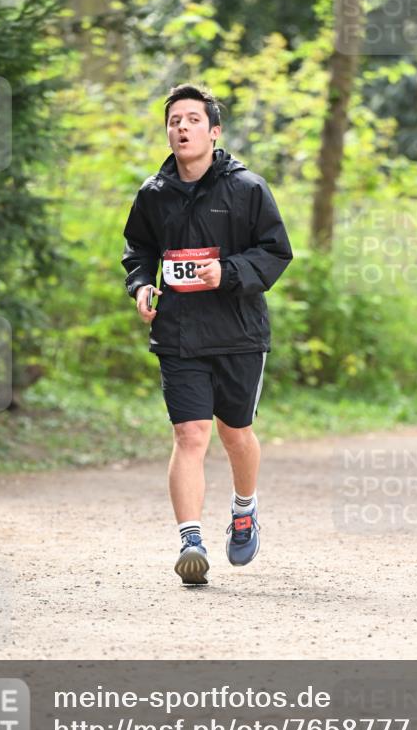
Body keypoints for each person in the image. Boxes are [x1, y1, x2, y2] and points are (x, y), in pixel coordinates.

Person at [122, 83, 293, 585]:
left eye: (193, 119)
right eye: (175, 120)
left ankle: (244, 509)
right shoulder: (153, 195)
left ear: (214, 132)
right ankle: (190, 540)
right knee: (189, 433)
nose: (182, 127)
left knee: (233, 432)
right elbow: (139, 250)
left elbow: (276, 251)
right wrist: (140, 287)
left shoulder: (247, 189)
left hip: (239, 333)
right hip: (178, 334)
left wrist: (230, 273)